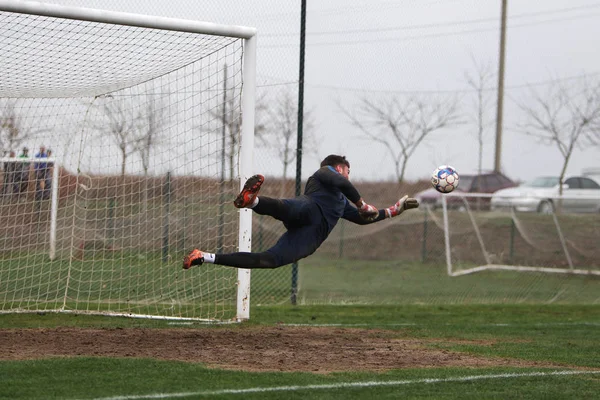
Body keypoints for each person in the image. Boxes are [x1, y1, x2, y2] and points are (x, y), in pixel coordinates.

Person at [183, 154, 419, 270]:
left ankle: (204, 256)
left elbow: (363, 218)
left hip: (309, 237)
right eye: (348, 170)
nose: (349, 175)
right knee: (287, 208)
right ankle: (251, 202)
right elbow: (346, 187)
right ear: (338, 168)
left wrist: (392, 211)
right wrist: (360, 202)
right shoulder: (323, 175)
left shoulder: (342, 204)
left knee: (269, 260)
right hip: (308, 210)